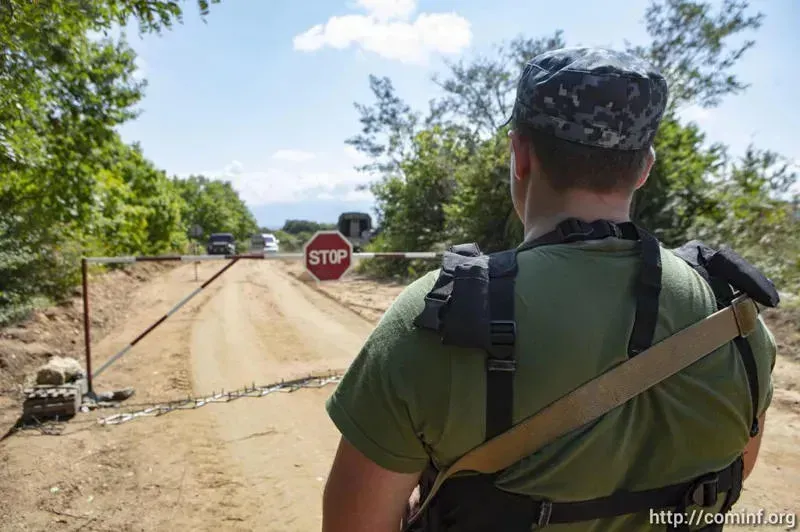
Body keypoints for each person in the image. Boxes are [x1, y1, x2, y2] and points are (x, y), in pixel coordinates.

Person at [320, 47, 778, 532]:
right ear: (644, 167)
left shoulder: (439, 317)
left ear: (519, 156)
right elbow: (735, 469)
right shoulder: (737, 321)